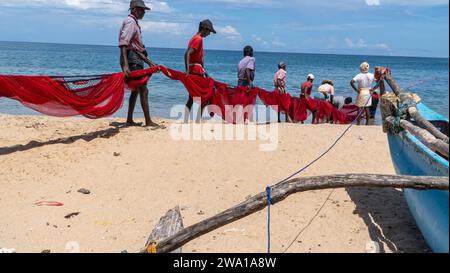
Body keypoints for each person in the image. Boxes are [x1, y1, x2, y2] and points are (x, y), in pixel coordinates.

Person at [119, 0, 161, 128]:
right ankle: (148, 121)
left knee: (135, 91)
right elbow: (123, 44)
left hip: (136, 58)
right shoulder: (131, 22)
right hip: (133, 60)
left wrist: (149, 62)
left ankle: (129, 120)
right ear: (135, 9)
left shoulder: (133, 22)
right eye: (142, 10)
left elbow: (136, 48)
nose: (144, 12)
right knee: (143, 89)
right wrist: (125, 65)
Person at [184, 19, 216, 122]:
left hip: (196, 70)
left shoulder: (194, 38)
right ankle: (198, 120)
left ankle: (185, 119)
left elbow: (189, 54)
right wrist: (188, 70)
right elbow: (187, 53)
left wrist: (202, 70)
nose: (209, 34)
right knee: (205, 97)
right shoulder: (198, 39)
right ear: (205, 29)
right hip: (196, 71)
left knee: (191, 98)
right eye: (209, 31)